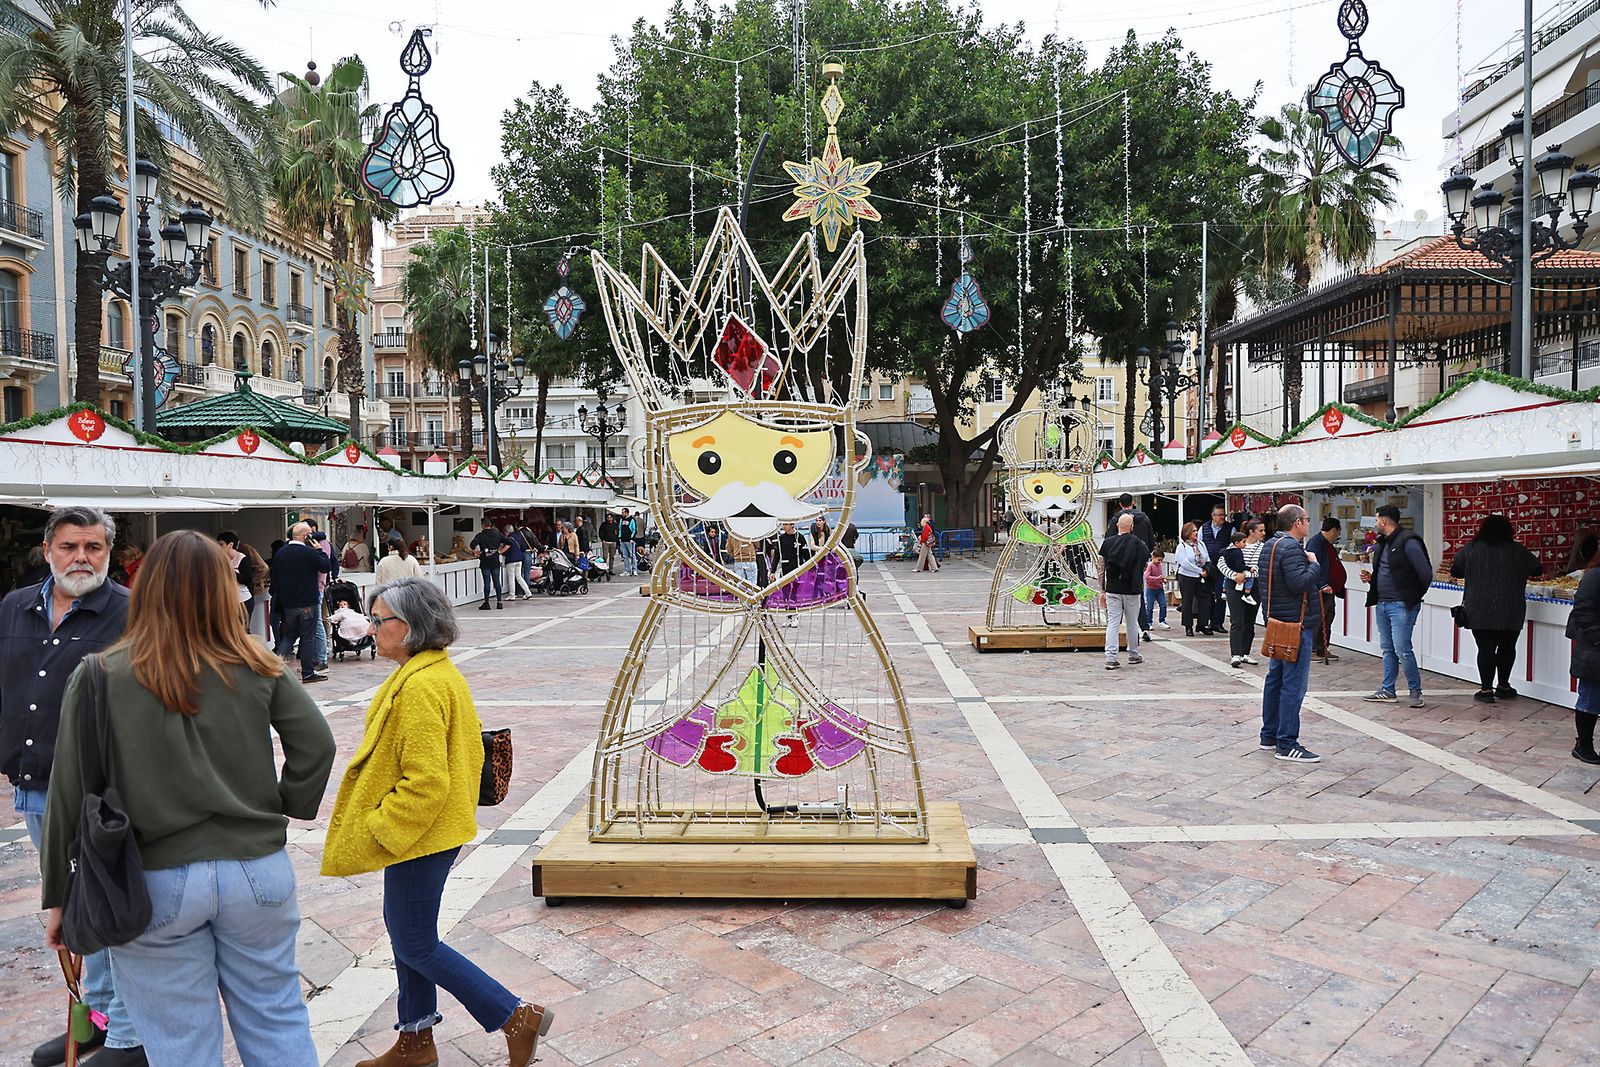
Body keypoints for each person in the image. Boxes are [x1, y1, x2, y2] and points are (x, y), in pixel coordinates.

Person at [40, 530, 335, 1067]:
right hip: (256, 869)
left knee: (181, 1044)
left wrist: (57, 894)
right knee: (276, 1019)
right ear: (225, 589)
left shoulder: (102, 673)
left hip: (153, 877)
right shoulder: (256, 663)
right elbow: (316, 745)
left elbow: (68, 791)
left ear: (147, 588)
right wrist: (283, 804)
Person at [321, 578, 553, 1066]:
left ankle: (515, 1015)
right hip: (429, 832)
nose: (373, 627)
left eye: (380, 619)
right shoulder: (425, 673)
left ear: (409, 628)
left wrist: (385, 828)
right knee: (406, 931)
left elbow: (427, 781)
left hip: (420, 833)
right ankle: (416, 1039)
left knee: (414, 941)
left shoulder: (422, 685)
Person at [1, 506, 143, 1066]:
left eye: (93, 547)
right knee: (76, 908)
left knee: (107, 905)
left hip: (100, 792)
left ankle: (131, 1033)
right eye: (69, 547)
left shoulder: (130, 614)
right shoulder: (14, 607)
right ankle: (98, 1018)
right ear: (48, 548)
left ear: (108, 553)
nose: (80, 557)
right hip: (35, 786)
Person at [1451, 515, 1543, 703]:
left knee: (1485, 648)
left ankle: (1486, 690)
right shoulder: (1517, 550)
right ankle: (1503, 685)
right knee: (1507, 647)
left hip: (1479, 608)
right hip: (1511, 608)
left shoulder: (1471, 549)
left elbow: (1455, 571)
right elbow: (1537, 569)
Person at [1259, 504, 1324, 763]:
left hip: (1277, 621)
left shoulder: (1270, 546)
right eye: (1307, 519)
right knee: (1293, 684)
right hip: (1295, 624)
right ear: (1297, 523)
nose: (1309, 523)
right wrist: (1315, 565)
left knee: (1275, 678)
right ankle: (1286, 742)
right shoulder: (1292, 549)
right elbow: (1299, 583)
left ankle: (1269, 735)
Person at [1362, 505, 1432, 708]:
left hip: (1401, 604)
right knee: (1388, 648)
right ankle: (1388, 689)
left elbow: (1425, 573)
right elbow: (1391, 571)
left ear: (1384, 521)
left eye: (1376, 519)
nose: (1375, 524)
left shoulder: (1408, 542)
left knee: (1402, 648)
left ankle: (1415, 690)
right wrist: (1372, 579)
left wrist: (1413, 596)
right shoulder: (1384, 543)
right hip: (1383, 602)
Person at [270, 522, 331, 683]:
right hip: (308, 602)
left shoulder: (281, 553)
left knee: (289, 636)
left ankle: (275, 667)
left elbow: (274, 578)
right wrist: (319, 549)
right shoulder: (308, 552)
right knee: (307, 637)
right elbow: (325, 566)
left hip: (289, 603)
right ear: (307, 536)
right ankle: (308, 673)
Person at [1100, 514, 1148, 670]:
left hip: (1113, 588)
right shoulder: (1139, 544)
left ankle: (1110, 657)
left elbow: (1101, 568)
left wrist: (1102, 589)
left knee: (1113, 622)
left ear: (1117, 526)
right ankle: (1133, 654)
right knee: (1132, 622)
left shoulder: (1107, 543)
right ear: (1132, 526)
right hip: (1132, 589)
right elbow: (1144, 565)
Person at [1220, 520, 1268, 668]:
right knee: (1237, 620)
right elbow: (1221, 563)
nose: (1264, 533)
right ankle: (1235, 654)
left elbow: (1263, 567)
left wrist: (1246, 574)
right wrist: (1235, 576)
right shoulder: (1235, 544)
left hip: (1253, 586)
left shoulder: (1263, 548)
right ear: (1251, 532)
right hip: (1234, 585)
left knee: (1249, 621)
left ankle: (1245, 652)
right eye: (1261, 530)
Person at [1566, 554, 1600, 764]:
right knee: (1591, 697)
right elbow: (1583, 610)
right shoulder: (1595, 576)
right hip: (1594, 648)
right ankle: (1583, 745)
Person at [1308, 518, 1347, 664]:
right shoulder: (1316, 543)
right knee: (1319, 619)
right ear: (1334, 530)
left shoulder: (1328, 544)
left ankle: (1322, 647)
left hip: (1331, 590)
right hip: (1321, 590)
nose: (1339, 535)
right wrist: (1322, 584)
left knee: (1328, 618)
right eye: (1339, 531)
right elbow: (1312, 566)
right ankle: (1313, 649)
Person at [1198, 506, 1234, 636]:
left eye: (1223, 515)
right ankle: (1206, 621)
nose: (1222, 518)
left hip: (1222, 565)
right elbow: (1200, 544)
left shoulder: (1230, 528)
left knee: (1221, 595)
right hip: (1208, 565)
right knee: (1207, 595)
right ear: (1213, 516)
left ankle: (1217, 623)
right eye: (1219, 515)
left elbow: (1232, 546)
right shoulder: (1204, 528)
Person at [1173, 522, 1210, 637]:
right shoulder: (1182, 546)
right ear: (1187, 533)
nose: (1196, 533)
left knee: (1205, 600)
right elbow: (1184, 563)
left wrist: (1206, 570)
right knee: (1187, 602)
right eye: (1193, 531)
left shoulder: (1201, 545)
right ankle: (1188, 626)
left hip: (1201, 577)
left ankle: (1202, 624)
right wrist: (1199, 571)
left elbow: (1207, 558)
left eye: (1196, 530)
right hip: (1187, 576)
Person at [218, 529, 260, 627]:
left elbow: (248, 579)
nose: (219, 548)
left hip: (243, 601)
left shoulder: (242, 558)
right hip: (227, 600)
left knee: (242, 630)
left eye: (221, 545)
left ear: (230, 545)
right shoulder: (220, 559)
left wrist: (232, 573)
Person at [771, 522, 809, 627]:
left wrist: (809, 569)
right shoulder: (781, 538)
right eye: (783, 524)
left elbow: (806, 555)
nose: (784, 526)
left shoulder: (799, 538)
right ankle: (788, 616)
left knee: (794, 594)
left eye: (786, 524)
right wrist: (772, 571)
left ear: (792, 525)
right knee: (785, 595)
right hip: (784, 571)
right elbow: (777, 556)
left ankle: (795, 615)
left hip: (796, 570)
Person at [470, 519, 508, 610]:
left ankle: (486, 603)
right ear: (490, 525)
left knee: (487, 582)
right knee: (497, 581)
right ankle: (499, 602)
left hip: (485, 561)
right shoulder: (497, 534)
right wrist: (500, 552)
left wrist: (477, 552)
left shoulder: (481, 535)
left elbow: (472, 545)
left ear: (483, 525)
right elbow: (509, 542)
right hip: (495, 560)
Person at [501, 525, 533, 599]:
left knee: (511, 577)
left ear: (507, 532)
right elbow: (523, 547)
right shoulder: (519, 536)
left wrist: (500, 552)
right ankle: (528, 592)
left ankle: (512, 595)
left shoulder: (508, 539)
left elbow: (506, 549)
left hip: (511, 559)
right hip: (519, 559)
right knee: (519, 577)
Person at [1142, 549, 1169, 633]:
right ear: (1153, 557)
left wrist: (1162, 580)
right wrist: (1158, 578)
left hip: (1159, 588)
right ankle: (1149, 622)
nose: (1160, 562)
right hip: (1151, 589)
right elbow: (1147, 577)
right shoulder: (1150, 565)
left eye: (1161, 560)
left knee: (1163, 605)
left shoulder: (1159, 566)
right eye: (1159, 560)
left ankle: (1162, 620)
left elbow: (1159, 576)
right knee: (1149, 607)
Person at [617, 508, 638, 576]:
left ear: (626, 513)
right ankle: (627, 570)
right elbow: (620, 528)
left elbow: (634, 530)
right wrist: (620, 537)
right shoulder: (621, 520)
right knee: (625, 556)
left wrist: (632, 538)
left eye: (623, 512)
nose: (622, 514)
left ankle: (634, 570)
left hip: (630, 540)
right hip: (623, 540)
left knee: (632, 555)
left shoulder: (632, 519)